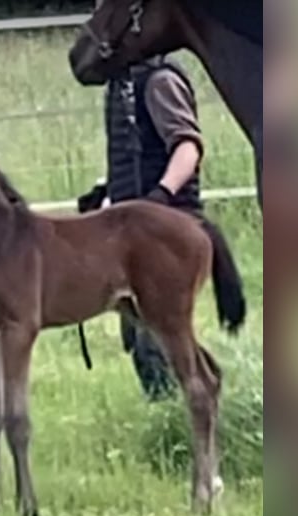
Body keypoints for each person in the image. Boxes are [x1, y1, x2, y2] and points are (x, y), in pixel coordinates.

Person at [77, 55, 205, 400]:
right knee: (139, 336)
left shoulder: (159, 81)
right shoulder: (124, 83)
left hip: (165, 231)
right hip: (134, 234)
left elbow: (187, 147)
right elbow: (137, 154)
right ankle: (169, 416)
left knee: (158, 337)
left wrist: (160, 196)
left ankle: (180, 419)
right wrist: (110, 190)